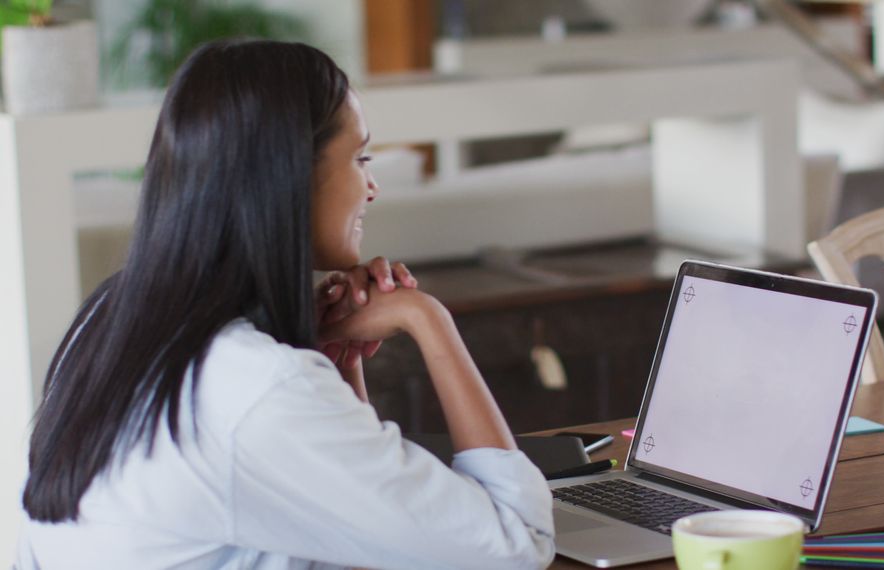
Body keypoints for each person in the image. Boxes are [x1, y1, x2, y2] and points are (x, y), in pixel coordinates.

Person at [16, 39, 555, 569]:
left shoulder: (111, 318)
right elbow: (515, 544)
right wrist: (427, 319)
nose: (371, 187)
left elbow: (362, 527)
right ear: (291, 174)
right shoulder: (258, 385)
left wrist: (338, 362)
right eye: (360, 157)